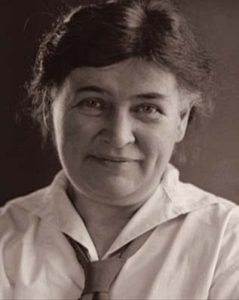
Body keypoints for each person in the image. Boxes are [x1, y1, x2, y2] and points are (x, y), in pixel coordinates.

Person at [0, 0, 239, 299]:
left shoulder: (228, 243)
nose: (118, 136)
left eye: (147, 108)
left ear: (181, 119)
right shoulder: (5, 237)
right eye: (92, 103)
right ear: (51, 108)